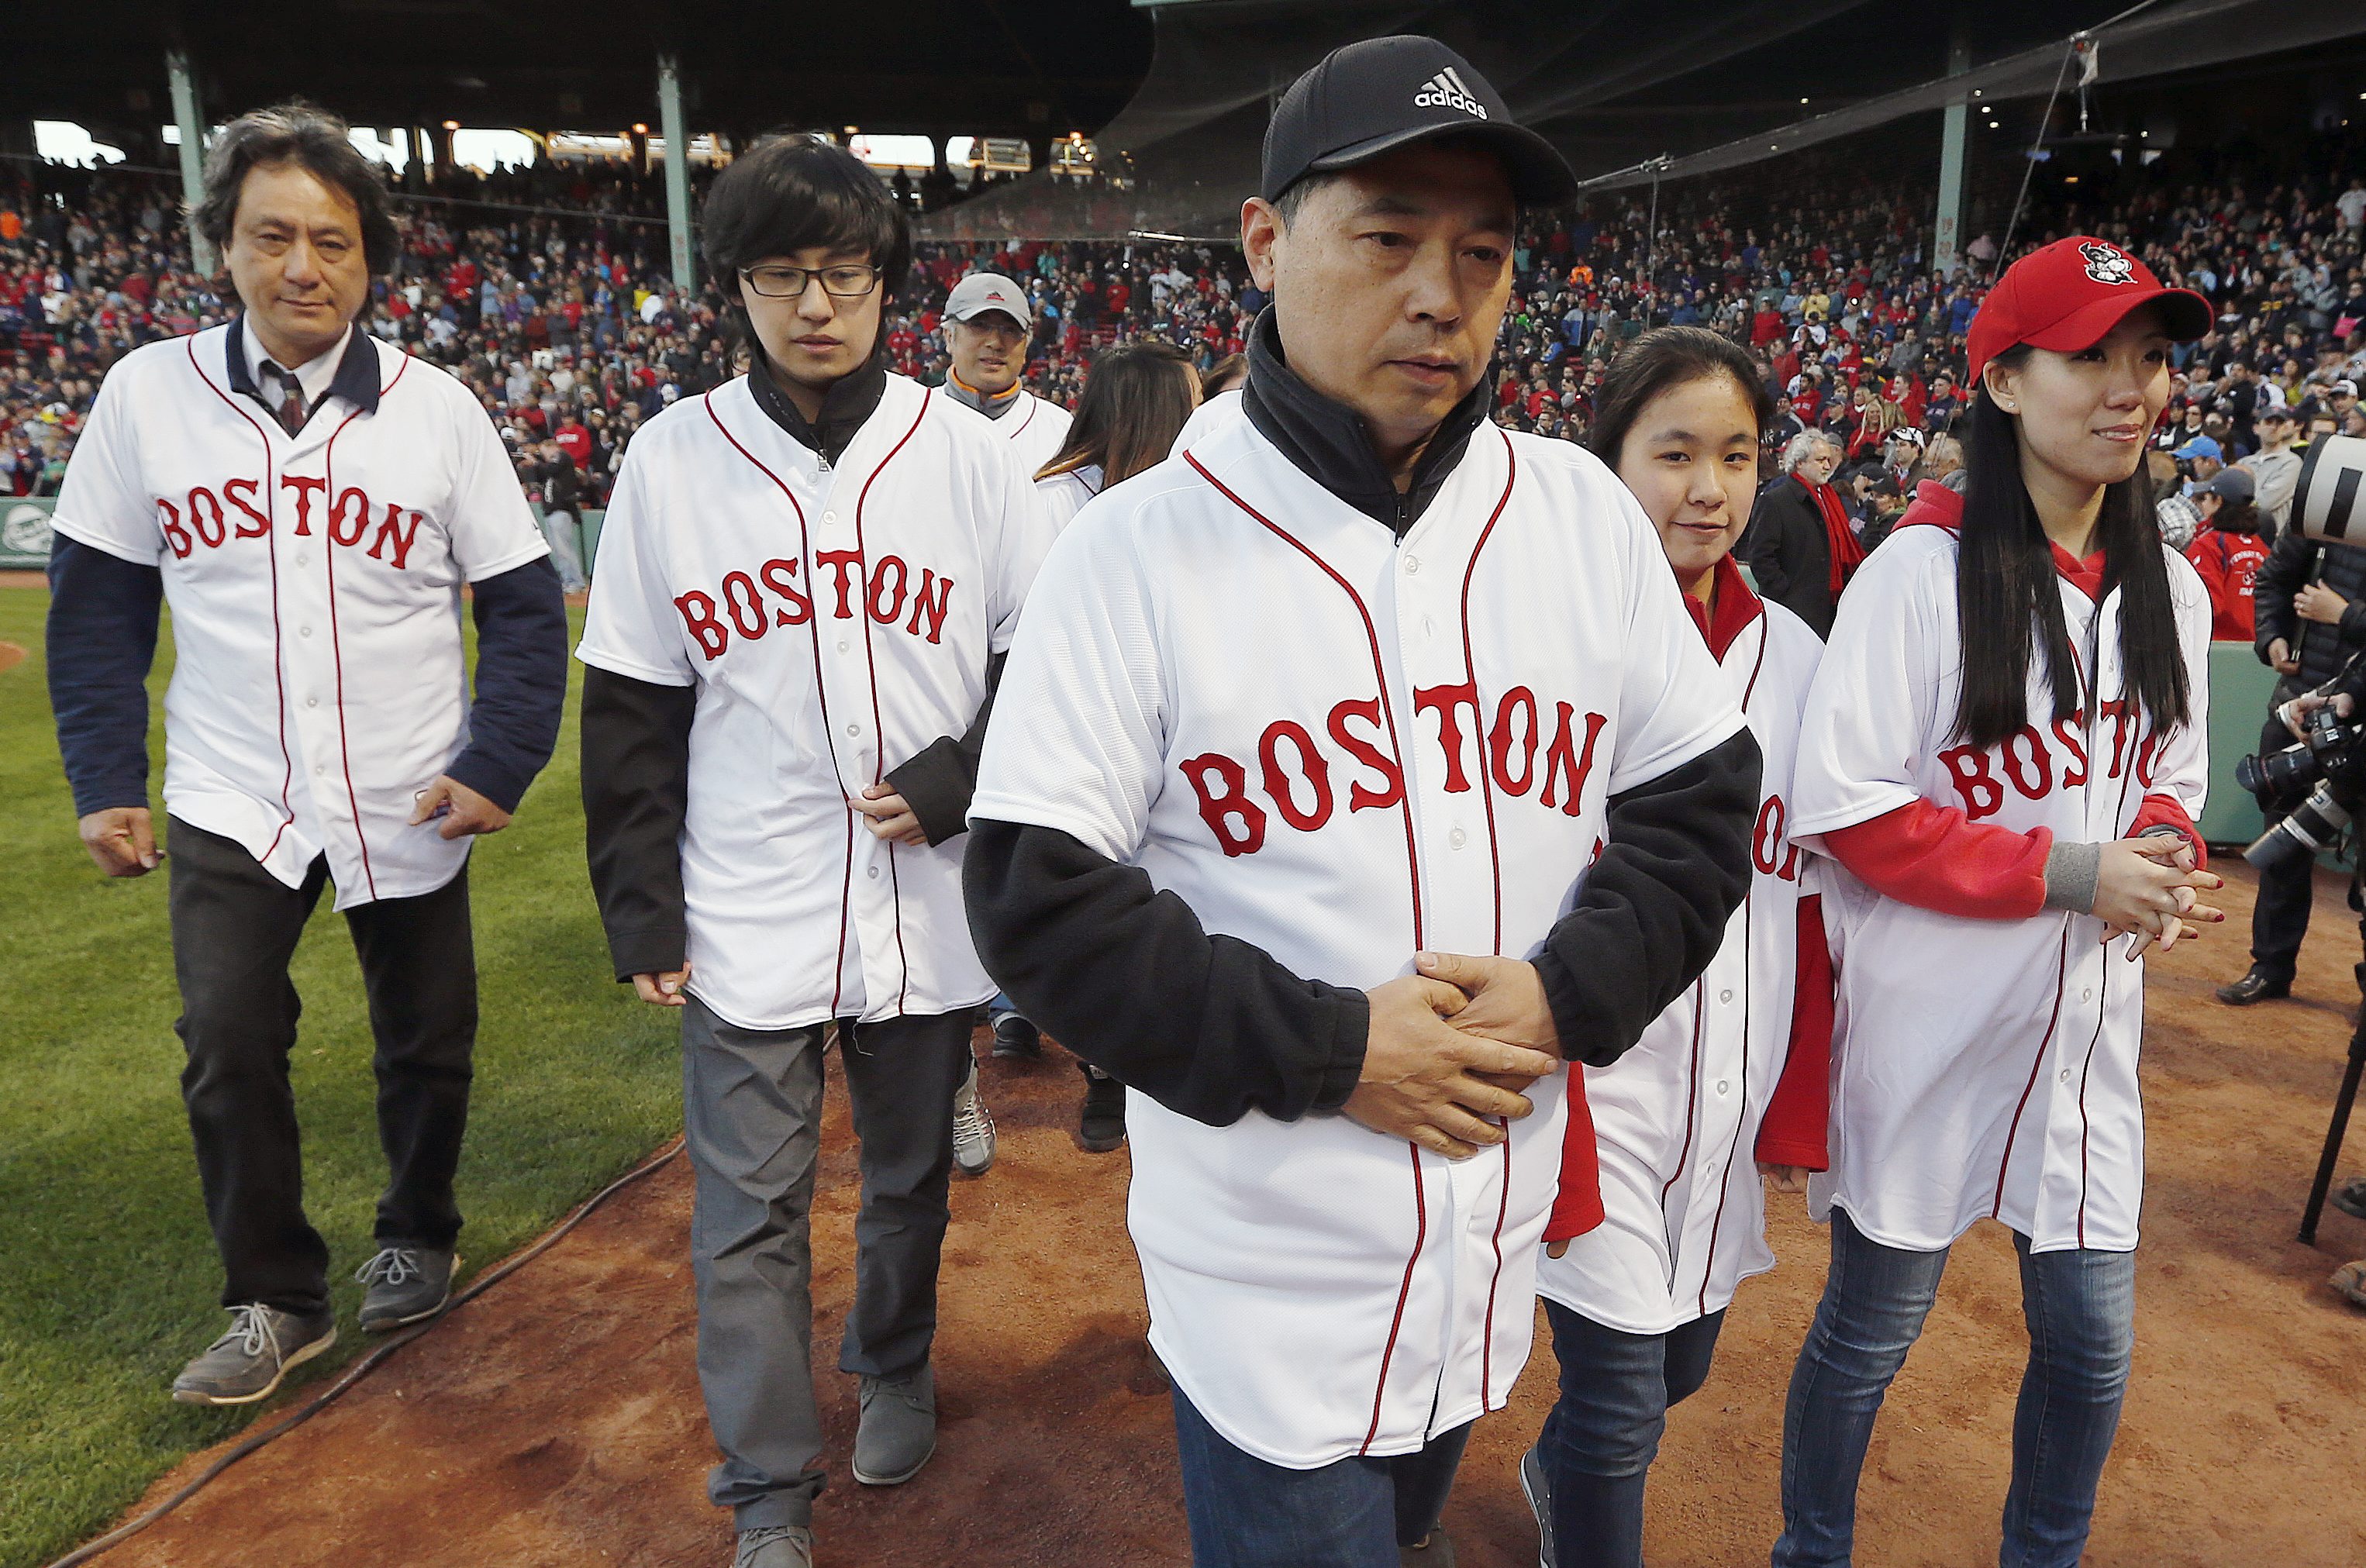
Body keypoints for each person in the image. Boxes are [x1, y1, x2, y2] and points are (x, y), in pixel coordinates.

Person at [964, 37, 1760, 1567]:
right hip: (1269, 1270)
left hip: (1486, 1235)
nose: (1437, 291)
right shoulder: (1130, 550)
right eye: (1386, 236)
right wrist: (1334, 1049)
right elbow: (1033, 899)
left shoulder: (1574, 515)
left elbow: (1699, 793)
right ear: (1264, 243)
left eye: (1481, 251)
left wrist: (1567, 988)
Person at [43, 103, 568, 1404]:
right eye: (271, 235)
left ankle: (418, 1230)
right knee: (226, 1033)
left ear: (370, 260)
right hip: (235, 782)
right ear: (222, 244)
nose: (302, 267)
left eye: (332, 241)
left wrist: (497, 759)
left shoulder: (438, 412)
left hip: (408, 776)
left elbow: (520, 608)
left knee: (429, 1039)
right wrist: (107, 776)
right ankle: (274, 1294)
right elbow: (99, 608)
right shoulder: (144, 397)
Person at [575, 135, 1050, 1568]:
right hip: (746, 895)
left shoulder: (964, 456)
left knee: (907, 1179)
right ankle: (768, 1488)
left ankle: (892, 1361)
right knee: (747, 1212)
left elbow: (1046, 659)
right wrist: (640, 903)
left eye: (841, 271)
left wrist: (966, 770)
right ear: (737, 287)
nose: (816, 302)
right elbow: (631, 700)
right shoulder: (670, 459)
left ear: (884, 282)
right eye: (782, 274)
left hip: (922, 900)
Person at [1773, 236, 2219, 1568]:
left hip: (2086, 1030)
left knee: (2090, 1344)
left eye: (2149, 356)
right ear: (2006, 381)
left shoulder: (2172, 586)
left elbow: (2174, 777)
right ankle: (1809, 1550)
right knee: (1870, 1328)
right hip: (1931, 1014)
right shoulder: (1920, 571)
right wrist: (2069, 872)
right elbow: (1844, 803)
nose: (2130, 385)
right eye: (2092, 354)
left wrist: (2157, 845)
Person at [1518, 326, 1832, 1568]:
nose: (1710, 486)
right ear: (1610, 460)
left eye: (1738, 454)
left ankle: (1552, 1465)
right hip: (1595, 1077)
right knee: (1619, 1400)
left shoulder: (1797, 657)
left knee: (1680, 1364)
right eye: (1676, 453)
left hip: (1729, 1085)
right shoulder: (1541, 638)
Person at [1004, 337, 1202, 1152]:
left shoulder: (1186, 503)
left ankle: (1114, 1068)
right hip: (1072, 719)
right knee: (1095, 898)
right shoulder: (1054, 500)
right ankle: (1098, 1071)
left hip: (1162, 717)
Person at [2222, 453, 2366, 1005]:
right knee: (2284, 848)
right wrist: (2272, 639)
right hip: (2298, 709)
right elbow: (2275, 581)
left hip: (2360, 724)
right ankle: (2271, 966)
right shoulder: (2330, 497)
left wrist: (2343, 612)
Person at [943, 270, 1073, 485]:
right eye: (979, 326)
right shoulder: (910, 424)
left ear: (1026, 344)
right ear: (949, 337)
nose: (995, 342)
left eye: (1011, 330)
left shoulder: (1063, 434)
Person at [1737, 429, 1858, 637]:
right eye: (1820, 460)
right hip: (1793, 611)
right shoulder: (1775, 501)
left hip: (1830, 608)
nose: (1827, 466)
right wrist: (1787, 593)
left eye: (1829, 460)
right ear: (1800, 463)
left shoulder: (1831, 499)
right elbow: (1761, 557)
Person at [2184, 467, 2270, 640]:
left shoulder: (2208, 545)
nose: (2201, 504)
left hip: (2218, 647)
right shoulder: (2260, 545)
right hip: (2257, 646)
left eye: (2205, 498)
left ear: (2219, 501)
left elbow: (2203, 604)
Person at [2238, 404, 2303, 537]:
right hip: (2244, 533)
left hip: (2274, 536)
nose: (2274, 427)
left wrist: (2240, 505)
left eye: (2279, 424)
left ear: (2284, 428)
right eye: (2268, 422)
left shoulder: (2292, 462)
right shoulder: (2245, 462)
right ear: (2256, 428)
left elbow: (2266, 502)